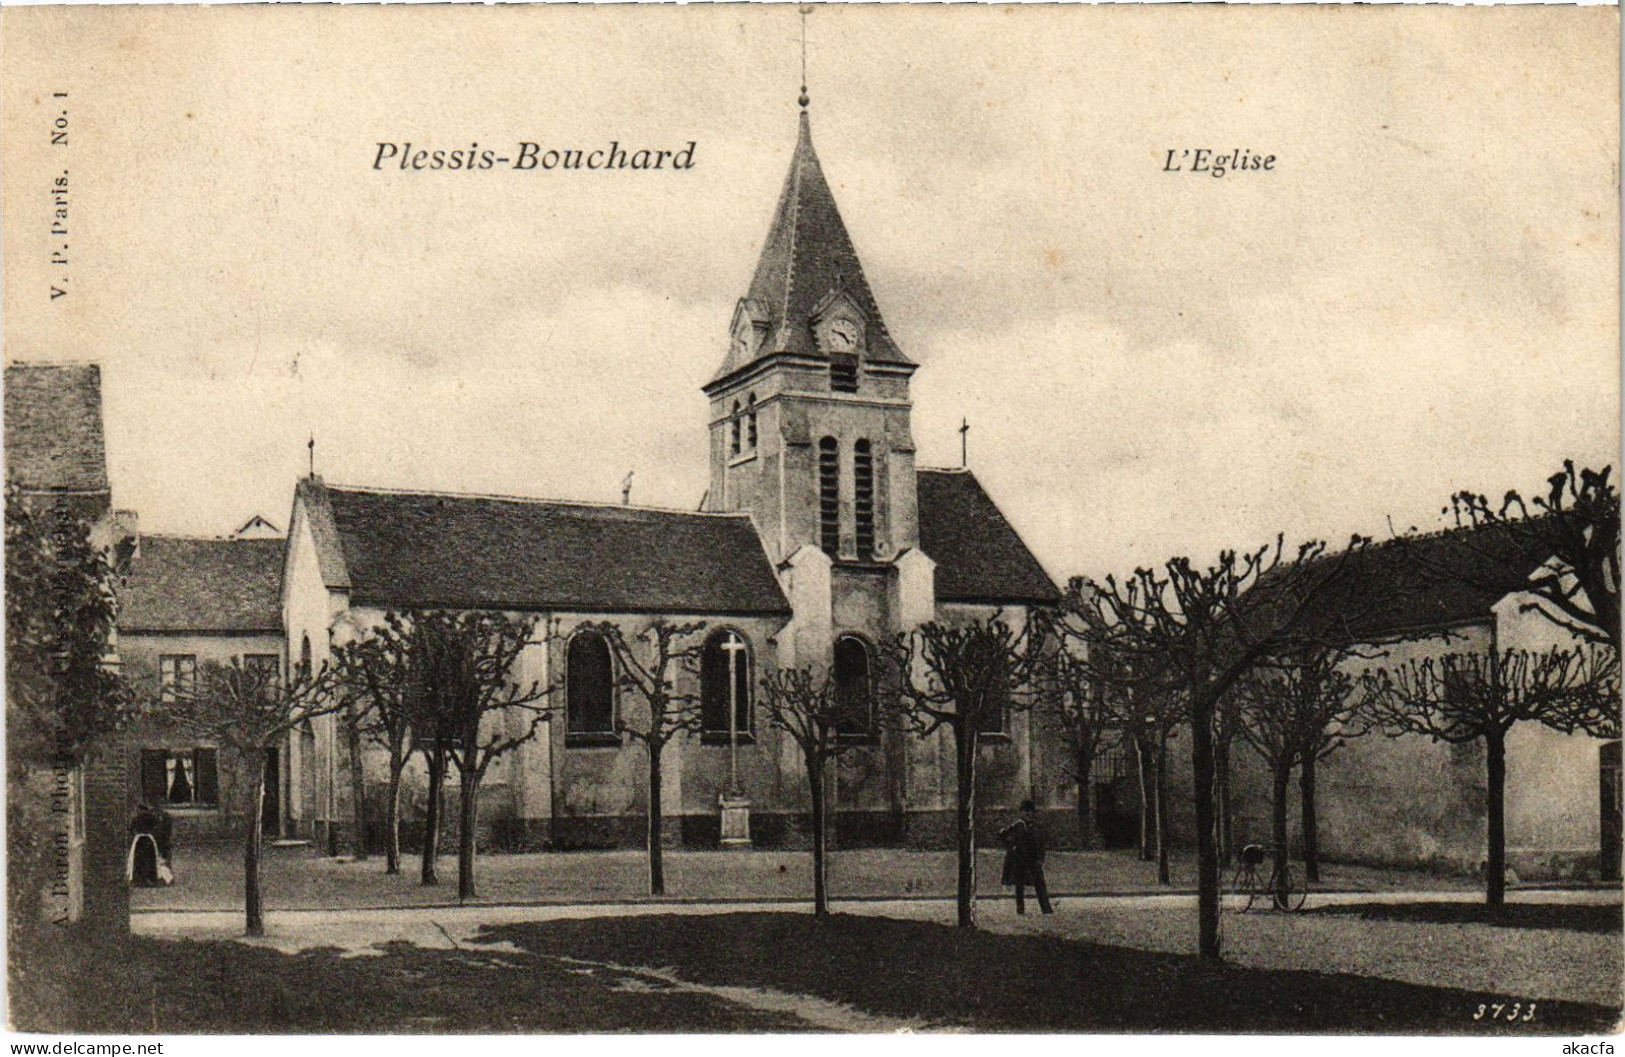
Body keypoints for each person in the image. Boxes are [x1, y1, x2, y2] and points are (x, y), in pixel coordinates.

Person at [999, 799, 1053, 915]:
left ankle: (1046, 909)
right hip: (1020, 859)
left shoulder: (1037, 827)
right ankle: (1020, 910)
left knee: (1040, 885)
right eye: (1025, 811)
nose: (1028, 814)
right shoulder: (1017, 825)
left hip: (1034, 859)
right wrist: (1012, 846)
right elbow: (1002, 834)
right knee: (1019, 886)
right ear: (1021, 813)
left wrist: (1041, 858)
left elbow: (1043, 843)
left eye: (1030, 812)